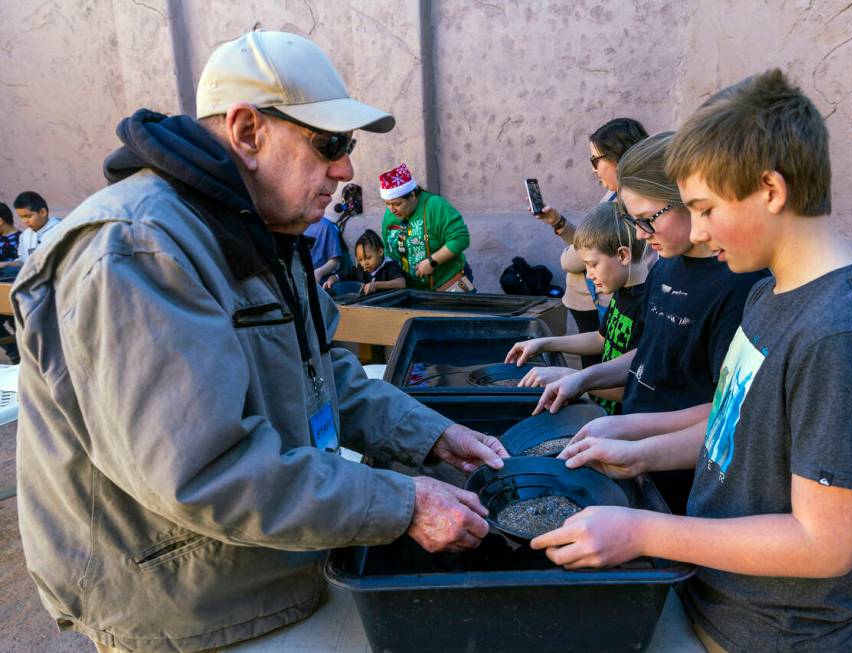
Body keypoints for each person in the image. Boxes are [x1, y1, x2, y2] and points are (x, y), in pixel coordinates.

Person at [12, 31, 508, 653]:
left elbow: (321, 371)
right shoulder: (137, 248)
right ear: (248, 132)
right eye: (328, 144)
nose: (346, 168)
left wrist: (430, 433)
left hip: (262, 567)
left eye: (347, 146)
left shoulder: (263, 227)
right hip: (192, 607)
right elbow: (202, 469)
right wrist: (401, 503)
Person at [536, 70, 852, 653]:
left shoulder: (845, 336)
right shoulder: (772, 292)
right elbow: (733, 420)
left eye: (706, 208)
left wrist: (642, 530)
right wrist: (637, 445)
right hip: (711, 594)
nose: (701, 231)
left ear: (770, 188)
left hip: (773, 633)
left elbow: (825, 544)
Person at [534, 132, 767, 515]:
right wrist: (582, 378)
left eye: (648, 219)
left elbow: (725, 410)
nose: (642, 234)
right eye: (633, 220)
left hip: (679, 473)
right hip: (634, 451)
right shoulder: (666, 264)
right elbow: (653, 353)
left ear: (689, 200)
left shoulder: (738, 284)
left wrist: (634, 442)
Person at [505, 200, 651, 415]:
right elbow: (602, 339)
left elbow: (631, 388)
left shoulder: (647, 303)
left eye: (593, 265)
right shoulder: (623, 290)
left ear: (623, 255)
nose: (590, 275)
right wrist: (545, 343)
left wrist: (570, 376)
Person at [536, 118, 648, 368]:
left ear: (618, 157)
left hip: (605, 303)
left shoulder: (625, 204)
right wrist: (558, 222)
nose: (593, 169)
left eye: (595, 160)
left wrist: (575, 381)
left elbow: (573, 257)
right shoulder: (613, 195)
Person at [379, 163, 473, 292]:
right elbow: (388, 249)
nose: (391, 209)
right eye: (387, 204)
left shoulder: (435, 205)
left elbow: (460, 238)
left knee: (460, 312)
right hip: (414, 292)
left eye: (397, 204)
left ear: (412, 196)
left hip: (452, 284)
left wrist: (432, 261)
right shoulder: (390, 215)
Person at [323, 228, 406, 295]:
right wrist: (331, 280)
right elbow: (339, 276)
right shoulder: (359, 269)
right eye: (360, 260)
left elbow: (401, 283)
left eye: (368, 258)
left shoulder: (390, 266)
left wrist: (377, 285)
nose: (364, 263)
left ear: (380, 252)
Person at [14, 190, 61, 267]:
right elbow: (23, 261)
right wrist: (6, 264)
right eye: (21, 217)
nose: (25, 221)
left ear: (43, 212)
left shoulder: (60, 230)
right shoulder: (24, 236)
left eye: (28, 216)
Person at [0, 203, 21, 362]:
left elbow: (25, 263)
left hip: (14, 292)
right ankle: (14, 354)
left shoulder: (21, 239)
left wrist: (7, 264)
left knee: (19, 326)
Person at [304, 215, 345, 285]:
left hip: (320, 283)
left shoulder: (326, 226)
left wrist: (319, 273)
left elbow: (334, 261)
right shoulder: (290, 225)